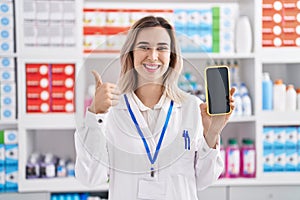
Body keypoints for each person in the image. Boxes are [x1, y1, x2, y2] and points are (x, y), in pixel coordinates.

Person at [74, 16, 235, 200]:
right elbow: (90, 178)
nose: (152, 56)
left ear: (172, 56)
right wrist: (96, 114)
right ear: (131, 53)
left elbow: (204, 180)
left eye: (161, 48)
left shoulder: (193, 108)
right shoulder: (111, 110)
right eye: (144, 47)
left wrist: (212, 133)